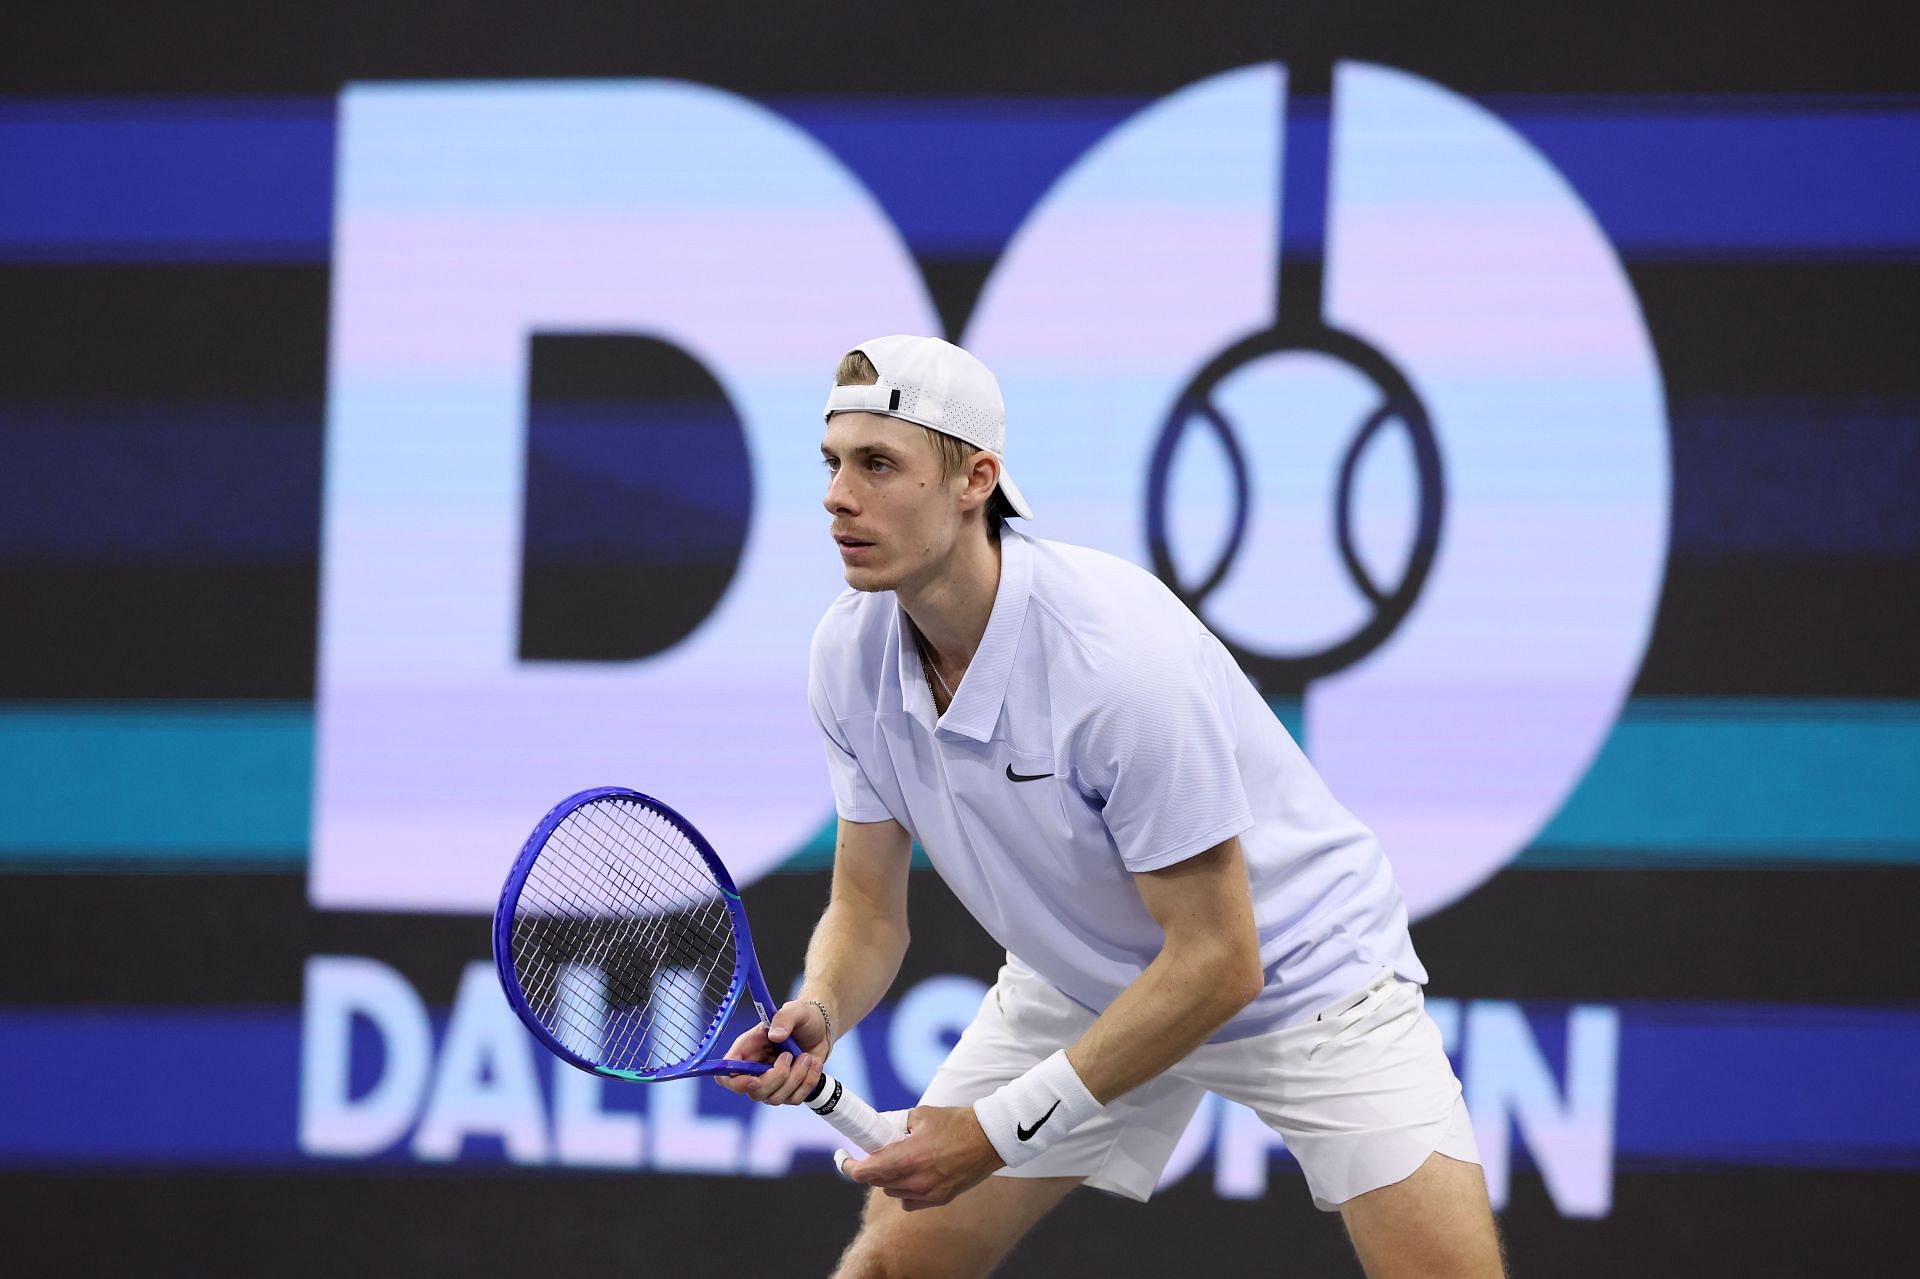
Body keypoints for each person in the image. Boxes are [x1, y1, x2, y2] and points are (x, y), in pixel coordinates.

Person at [719, 335, 1505, 1278]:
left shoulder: (1117, 660)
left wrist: (996, 1132)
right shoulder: (848, 655)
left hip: (1306, 978)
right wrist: (822, 1004)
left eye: (879, 464)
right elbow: (867, 910)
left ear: (977, 479)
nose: (838, 496)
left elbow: (1219, 963)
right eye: (834, 462)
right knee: (894, 1267)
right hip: (1084, 982)